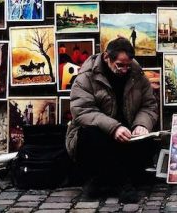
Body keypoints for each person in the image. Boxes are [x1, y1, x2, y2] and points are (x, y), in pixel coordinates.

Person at [66, 37, 159, 202]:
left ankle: (102, 182)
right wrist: (113, 128)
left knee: (149, 142)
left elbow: (149, 105)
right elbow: (82, 111)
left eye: (128, 65)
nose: (124, 70)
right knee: (92, 136)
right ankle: (122, 183)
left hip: (127, 134)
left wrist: (141, 124)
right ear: (106, 57)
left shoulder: (137, 75)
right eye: (120, 65)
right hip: (97, 135)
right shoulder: (86, 77)